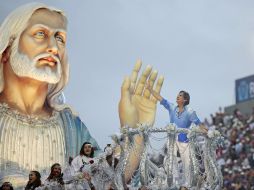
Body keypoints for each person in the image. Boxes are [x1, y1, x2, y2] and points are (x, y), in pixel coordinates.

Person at [0, 3, 164, 188]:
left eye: (60, 38)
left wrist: (135, 133)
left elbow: (104, 180)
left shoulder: (70, 125)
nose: (54, 47)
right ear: (7, 47)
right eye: (40, 34)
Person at [146, 83, 207, 190]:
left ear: (184, 100)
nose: (177, 97)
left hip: (184, 140)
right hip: (172, 139)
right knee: (170, 158)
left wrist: (207, 131)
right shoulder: (172, 107)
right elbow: (161, 99)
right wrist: (151, 90)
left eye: (180, 96)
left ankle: (188, 185)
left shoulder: (190, 112)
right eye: (177, 95)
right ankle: (174, 180)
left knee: (187, 161)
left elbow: (199, 123)